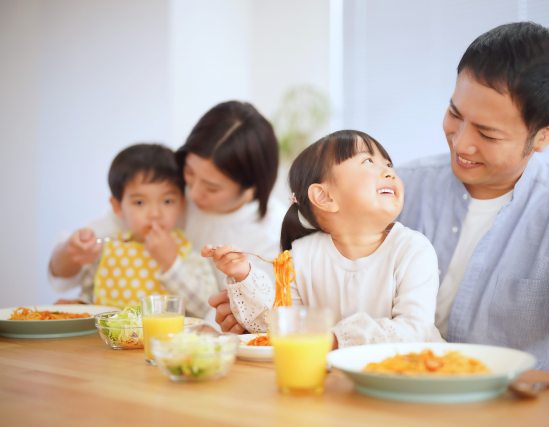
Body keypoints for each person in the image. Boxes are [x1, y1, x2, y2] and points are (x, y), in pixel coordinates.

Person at [209, 23, 549, 397]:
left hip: (517, 405)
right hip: (375, 396)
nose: (461, 143)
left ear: (543, 136)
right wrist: (254, 304)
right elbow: (295, 288)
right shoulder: (393, 188)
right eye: (455, 114)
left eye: (487, 133)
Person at [48, 102, 286, 324]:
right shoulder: (165, 195)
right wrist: (74, 249)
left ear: (251, 185)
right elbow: (69, 264)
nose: (193, 193)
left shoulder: (274, 233)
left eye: (211, 187)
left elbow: (263, 319)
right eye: (189, 173)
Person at [203, 130, 443, 348]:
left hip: (418, 377)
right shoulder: (299, 258)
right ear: (324, 196)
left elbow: (414, 329)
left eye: (388, 163)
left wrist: (336, 339)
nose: (389, 170)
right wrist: (244, 275)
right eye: (368, 161)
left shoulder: (413, 250)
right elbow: (280, 327)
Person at [49, 143, 217, 317]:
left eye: (167, 201)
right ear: (118, 207)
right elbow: (94, 294)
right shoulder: (108, 248)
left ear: (182, 203)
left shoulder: (188, 254)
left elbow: (208, 310)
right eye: (139, 202)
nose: (154, 214)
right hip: (108, 343)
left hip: (164, 343)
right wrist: (80, 304)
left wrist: (171, 263)